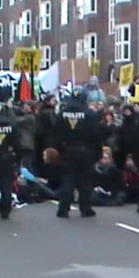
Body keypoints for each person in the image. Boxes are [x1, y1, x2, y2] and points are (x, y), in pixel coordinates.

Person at [54, 87, 102, 218]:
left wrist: (59, 150)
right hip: (85, 150)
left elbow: (57, 134)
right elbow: (96, 135)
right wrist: (98, 152)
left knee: (68, 180)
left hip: (67, 150)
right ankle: (85, 208)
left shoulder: (62, 114)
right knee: (85, 181)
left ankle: (63, 209)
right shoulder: (89, 114)